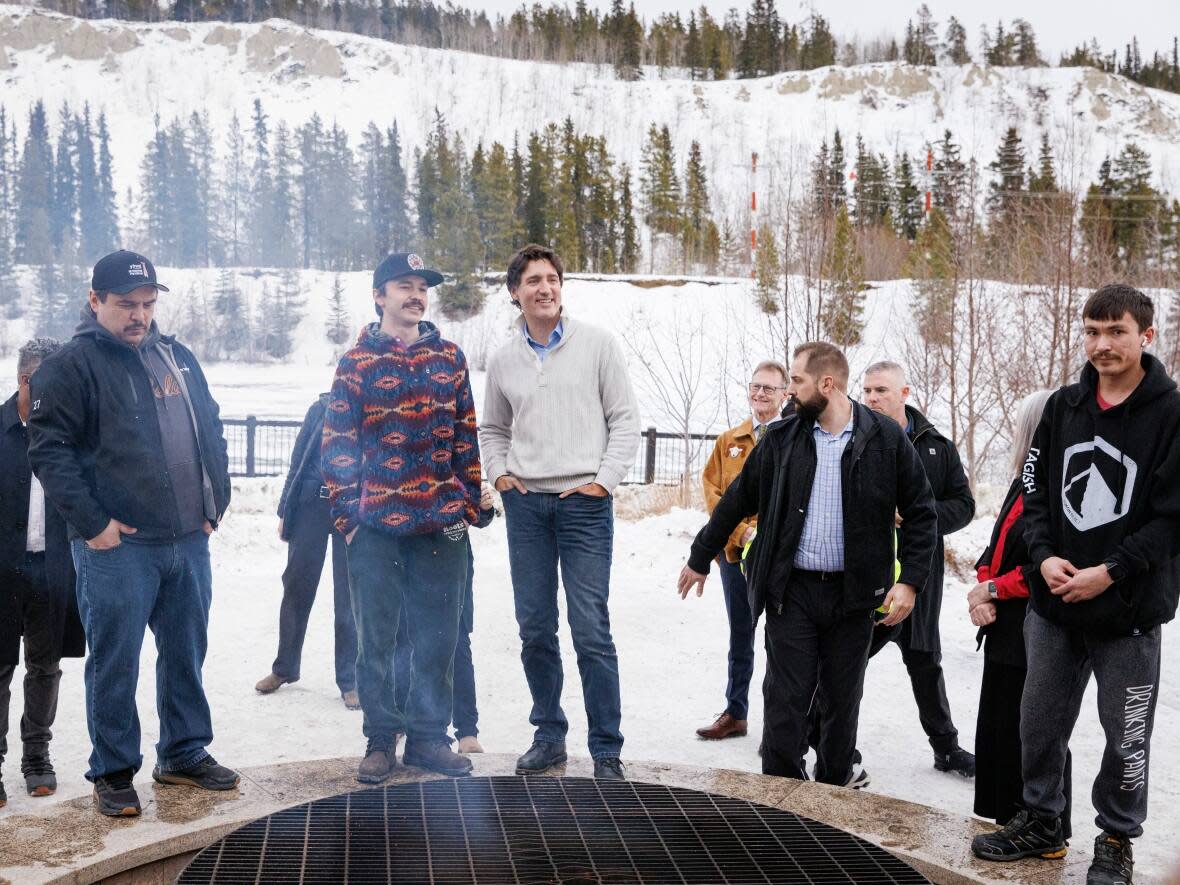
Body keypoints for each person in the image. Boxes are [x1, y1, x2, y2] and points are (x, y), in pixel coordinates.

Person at [972, 285, 1180, 885]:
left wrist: (1110, 572)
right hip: (1054, 604)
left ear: (1146, 336)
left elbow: (1173, 518)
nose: (1102, 344)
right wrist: (1042, 560)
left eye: (1116, 331)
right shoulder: (1063, 407)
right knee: (1037, 722)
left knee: (1126, 734)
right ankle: (1040, 821)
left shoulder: (1171, 415)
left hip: (1129, 611)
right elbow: (1032, 493)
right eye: (1092, 331)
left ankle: (1116, 838)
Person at [26, 250, 237, 818]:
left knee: (185, 653)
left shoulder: (178, 356)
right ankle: (114, 771)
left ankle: (184, 752)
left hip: (188, 538)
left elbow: (210, 426)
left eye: (147, 303)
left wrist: (217, 497)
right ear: (94, 301)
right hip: (118, 547)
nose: (139, 315)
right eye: (125, 304)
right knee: (116, 661)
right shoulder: (71, 367)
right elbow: (49, 451)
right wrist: (93, 526)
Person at [677, 341, 938, 786]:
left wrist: (910, 581)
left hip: (854, 598)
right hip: (791, 592)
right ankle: (779, 805)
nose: (790, 391)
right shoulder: (782, 438)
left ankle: (831, 799)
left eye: (796, 381)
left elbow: (922, 512)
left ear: (827, 384)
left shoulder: (885, 438)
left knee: (840, 705)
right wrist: (700, 556)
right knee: (785, 702)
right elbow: (737, 500)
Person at [480, 243, 640, 781]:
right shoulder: (503, 359)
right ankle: (548, 735)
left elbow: (624, 421)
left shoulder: (597, 345)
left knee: (590, 627)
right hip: (526, 505)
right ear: (514, 293)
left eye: (552, 279)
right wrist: (499, 474)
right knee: (535, 627)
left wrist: (602, 482)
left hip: (584, 506)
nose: (545, 288)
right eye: (533, 281)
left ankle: (606, 748)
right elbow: (493, 427)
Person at [322, 252, 482, 783]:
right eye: (403, 286)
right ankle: (379, 742)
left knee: (439, 636)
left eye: (422, 287)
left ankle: (430, 740)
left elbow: (466, 434)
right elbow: (338, 444)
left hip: (441, 525)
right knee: (378, 639)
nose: (416, 295)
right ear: (379, 295)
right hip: (375, 529)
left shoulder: (451, 357)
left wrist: (466, 501)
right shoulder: (356, 362)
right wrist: (350, 518)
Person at [854, 361, 976, 779]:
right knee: (846, 663)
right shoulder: (851, 439)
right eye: (867, 391)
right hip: (868, 574)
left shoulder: (935, 445)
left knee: (926, 661)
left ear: (904, 393)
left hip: (920, 577)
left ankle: (947, 748)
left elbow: (964, 506)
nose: (871, 398)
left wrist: (919, 514)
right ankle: (821, 739)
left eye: (881, 391)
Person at [968, 389, 1073, 836]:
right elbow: (997, 545)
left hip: (1038, 622)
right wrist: (983, 589)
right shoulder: (1023, 483)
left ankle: (1041, 823)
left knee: (1035, 727)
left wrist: (994, 587)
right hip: (1004, 624)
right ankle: (1008, 817)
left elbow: (1039, 566)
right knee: (1000, 722)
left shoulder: (1060, 487)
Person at [0, 338, 85, 808]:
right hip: (1, 570)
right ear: (25, 381)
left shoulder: (73, 434)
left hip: (53, 570)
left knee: (46, 666)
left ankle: (37, 757)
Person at [695, 360, 788, 741]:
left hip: (782, 557)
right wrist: (742, 535)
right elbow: (714, 496)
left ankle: (783, 728)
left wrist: (764, 536)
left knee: (785, 640)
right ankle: (736, 712)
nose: (761, 394)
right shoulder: (730, 441)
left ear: (786, 395)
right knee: (741, 633)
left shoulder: (793, 438)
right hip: (735, 556)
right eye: (756, 386)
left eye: (770, 388)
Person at [255, 393, 358, 709]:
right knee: (297, 586)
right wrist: (286, 509)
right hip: (312, 504)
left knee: (349, 595)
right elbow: (298, 461)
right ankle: (284, 668)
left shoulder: (373, 408)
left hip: (352, 511)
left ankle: (350, 680)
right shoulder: (320, 408)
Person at [395, 483, 495, 755]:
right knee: (403, 637)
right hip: (404, 543)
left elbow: (475, 503)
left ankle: (467, 730)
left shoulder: (453, 442)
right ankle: (399, 719)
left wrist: (483, 507)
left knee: (457, 641)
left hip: (451, 548)